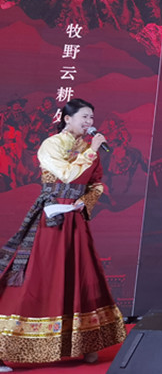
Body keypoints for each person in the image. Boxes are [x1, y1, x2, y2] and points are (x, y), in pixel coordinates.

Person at [0, 99, 126, 371]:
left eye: (91, 118)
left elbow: (96, 183)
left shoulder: (88, 148)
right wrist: (91, 151)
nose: (89, 123)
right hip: (51, 218)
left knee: (83, 276)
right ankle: (7, 347)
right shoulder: (51, 145)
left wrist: (86, 202)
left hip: (75, 220)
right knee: (38, 278)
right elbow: (67, 175)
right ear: (67, 119)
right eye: (84, 117)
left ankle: (86, 342)